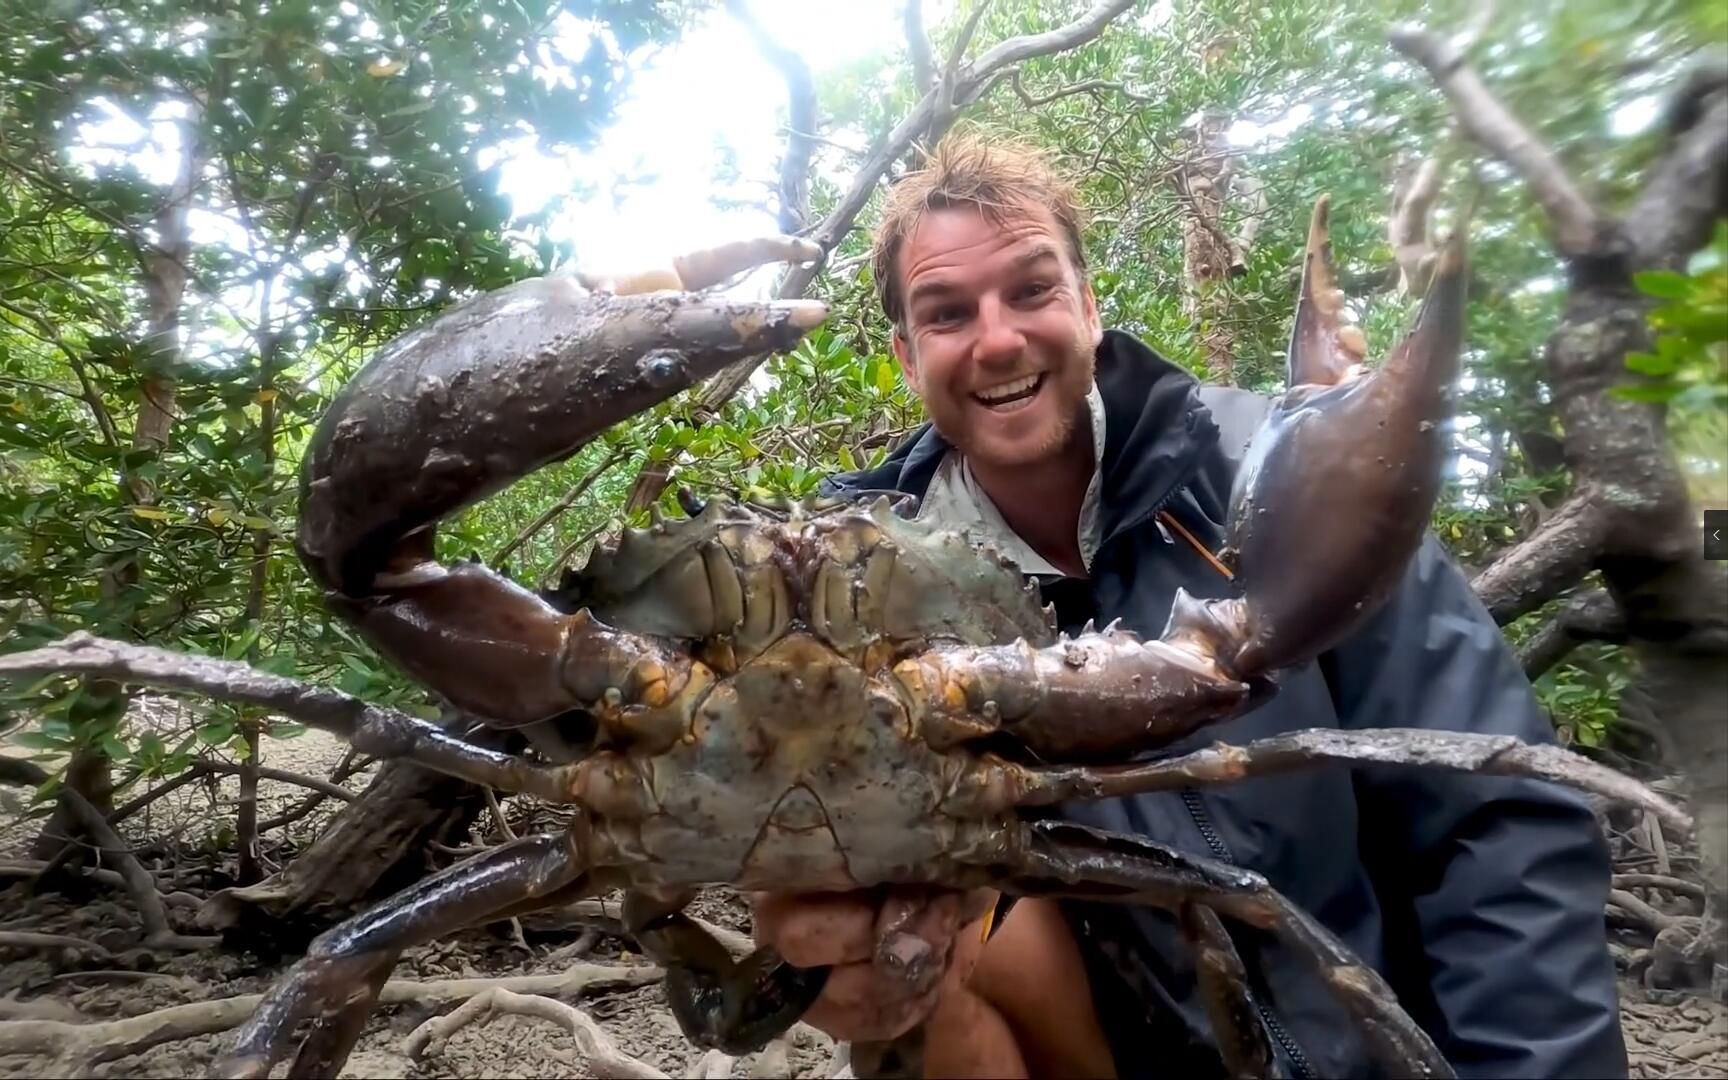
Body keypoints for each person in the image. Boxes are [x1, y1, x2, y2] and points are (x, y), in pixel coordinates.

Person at [748, 130, 1628, 1079]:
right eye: (948, 312)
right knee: (935, 912)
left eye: (1032, 289)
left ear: (1087, 304)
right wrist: (835, 942)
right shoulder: (855, 589)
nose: (998, 338)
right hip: (1095, 1048)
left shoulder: (1276, 478)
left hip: (1383, 1042)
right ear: (907, 355)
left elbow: (1493, 814)